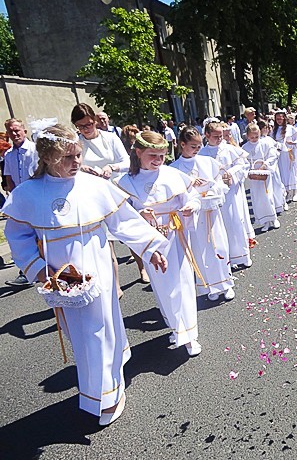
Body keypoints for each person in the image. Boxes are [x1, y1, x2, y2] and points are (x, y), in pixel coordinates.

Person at [1, 122, 168, 425]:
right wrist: (41, 272)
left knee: (99, 329)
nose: (76, 162)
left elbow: (123, 222)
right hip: (61, 277)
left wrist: (149, 247)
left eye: (78, 155)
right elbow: (19, 237)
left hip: (98, 267)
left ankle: (106, 396)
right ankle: (106, 383)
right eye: (68, 157)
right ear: (49, 157)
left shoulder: (93, 185)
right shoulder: (27, 194)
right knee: (82, 334)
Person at [116, 131, 202, 357]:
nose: (158, 160)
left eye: (162, 155)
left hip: (177, 235)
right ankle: (176, 327)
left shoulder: (173, 175)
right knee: (164, 286)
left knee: (182, 283)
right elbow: (121, 216)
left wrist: (192, 206)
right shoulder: (126, 183)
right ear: (138, 153)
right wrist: (138, 213)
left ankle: (189, 334)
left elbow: (193, 195)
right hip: (150, 241)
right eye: (152, 155)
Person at [72, 103, 135, 293]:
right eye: (81, 126)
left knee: (130, 232)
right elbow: (70, 165)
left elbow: (127, 161)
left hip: (115, 189)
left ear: (95, 121)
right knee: (105, 241)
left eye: (89, 124)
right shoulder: (76, 143)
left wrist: (112, 167)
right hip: (91, 194)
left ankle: (142, 267)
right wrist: (82, 168)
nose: (86, 129)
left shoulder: (110, 138)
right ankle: (115, 285)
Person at [170, 126, 235, 301]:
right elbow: (175, 193)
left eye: (199, 146)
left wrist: (213, 188)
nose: (197, 150)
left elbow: (221, 183)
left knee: (219, 246)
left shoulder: (207, 162)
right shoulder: (174, 168)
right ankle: (210, 286)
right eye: (193, 146)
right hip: (193, 216)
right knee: (200, 250)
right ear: (182, 144)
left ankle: (226, 282)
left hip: (211, 212)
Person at [200, 120, 253, 268]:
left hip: (230, 194)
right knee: (219, 227)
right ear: (207, 135)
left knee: (235, 222)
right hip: (214, 195)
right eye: (216, 136)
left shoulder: (229, 149)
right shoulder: (202, 154)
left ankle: (242, 256)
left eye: (221, 135)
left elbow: (243, 165)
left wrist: (231, 173)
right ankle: (225, 259)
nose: (219, 139)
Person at [3, 118, 39, 287]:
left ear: (24, 130)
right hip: (21, 200)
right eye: (11, 131)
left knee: (41, 234)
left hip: (37, 197)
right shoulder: (9, 155)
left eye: (17, 130)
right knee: (23, 236)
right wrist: (14, 198)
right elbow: (9, 178)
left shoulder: (35, 149)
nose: (15, 133)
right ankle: (26, 272)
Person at [242, 124, 280, 231]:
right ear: (248, 136)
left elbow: (273, 155)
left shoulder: (265, 144)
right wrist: (249, 170)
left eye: (256, 137)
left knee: (268, 196)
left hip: (265, 174)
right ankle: (264, 221)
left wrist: (265, 165)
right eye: (252, 137)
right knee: (258, 198)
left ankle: (273, 218)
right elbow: (243, 162)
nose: (254, 139)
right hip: (254, 177)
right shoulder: (244, 148)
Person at [271, 110, 297, 203]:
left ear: (284, 118)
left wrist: (293, 143)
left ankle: (294, 192)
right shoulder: (274, 130)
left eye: (281, 118)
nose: (279, 120)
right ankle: (286, 192)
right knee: (282, 173)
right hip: (279, 154)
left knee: (291, 172)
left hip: (288, 152)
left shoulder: (290, 128)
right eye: (277, 119)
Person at [258, 119, 287, 213]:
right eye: (265, 128)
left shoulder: (269, 139)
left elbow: (276, 147)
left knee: (277, 185)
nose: (267, 130)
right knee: (270, 188)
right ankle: (273, 206)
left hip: (273, 166)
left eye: (267, 128)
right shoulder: (260, 141)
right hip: (267, 167)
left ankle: (282, 202)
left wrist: (280, 147)